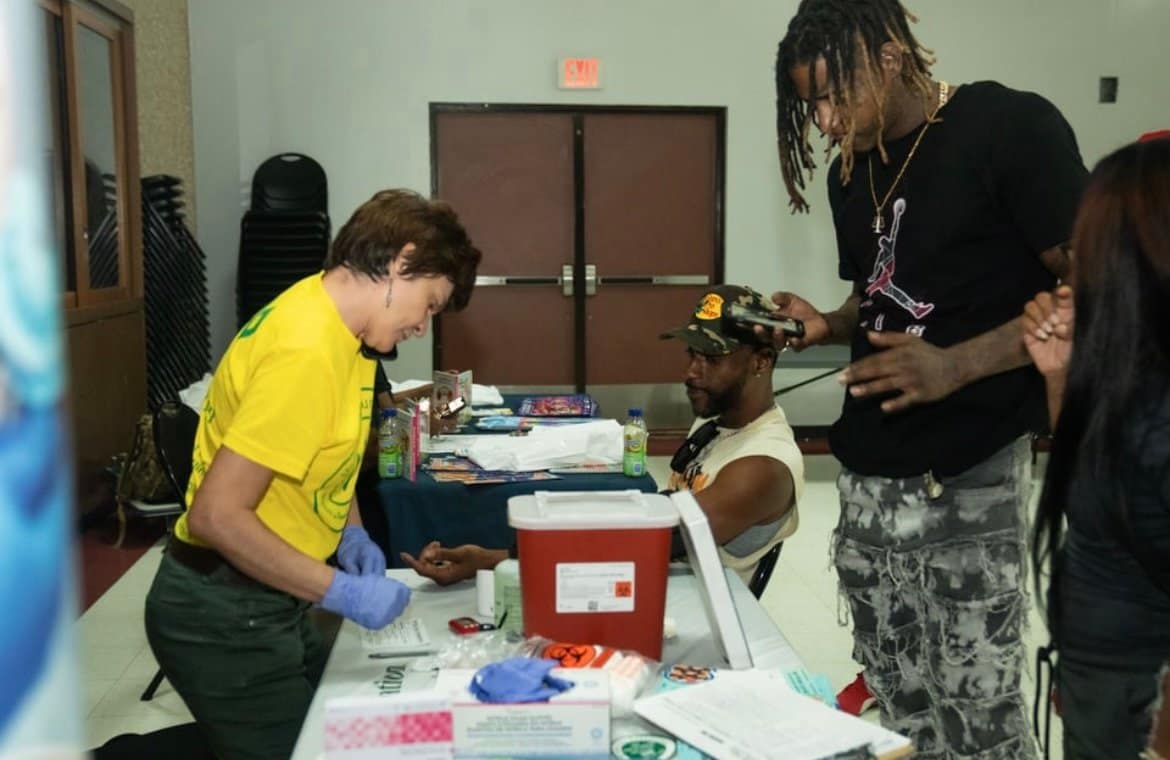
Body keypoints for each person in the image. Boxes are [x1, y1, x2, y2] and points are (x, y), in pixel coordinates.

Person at [769, 1, 1088, 756]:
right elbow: (879, 293)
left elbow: (1094, 284)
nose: (823, 122)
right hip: (870, 474)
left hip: (970, 470)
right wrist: (828, 325)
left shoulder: (1008, 128)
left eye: (832, 97)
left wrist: (957, 365)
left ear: (888, 59)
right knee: (898, 696)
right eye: (810, 105)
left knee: (976, 710)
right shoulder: (851, 172)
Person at [143, 189, 481, 759]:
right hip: (222, 608)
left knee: (336, 729)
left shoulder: (345, 332)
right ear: (400, 263)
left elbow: (333, 460)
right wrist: (338, 590)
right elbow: (216, 516)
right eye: (429, 304)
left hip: (273, 596)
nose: (423, 327)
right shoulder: (306, 350)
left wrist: (351, 533)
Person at [402, 285, 804, 591]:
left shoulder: (763, 466)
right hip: (658, 585)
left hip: (696, 613)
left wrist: (496, 559)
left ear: (761, 362)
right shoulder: (718, 423)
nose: (691, 373)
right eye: (692, 355)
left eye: (711, 359)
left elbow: (652, 538)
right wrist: (495, 559)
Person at [1026, 136, 1170, 759]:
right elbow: (1093, 489)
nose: (1073, 264)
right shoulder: (1130, 368)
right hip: (1102, 673)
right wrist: (1060, 376)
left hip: (1135, 691)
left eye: (1087, 245)